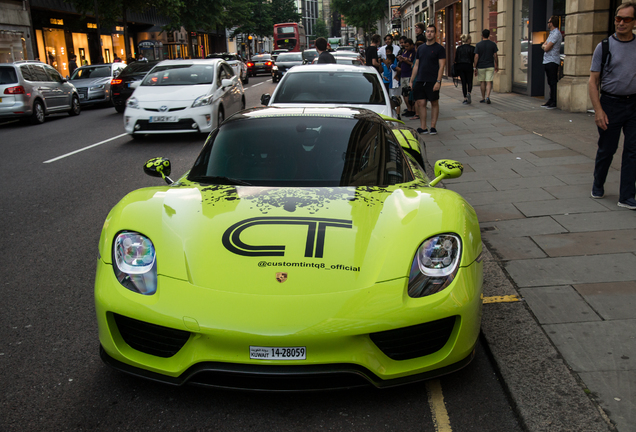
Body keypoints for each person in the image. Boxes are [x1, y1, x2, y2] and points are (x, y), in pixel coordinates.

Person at [588, 1, 636, 209]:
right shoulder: (604, 46)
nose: (621, 23)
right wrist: (598, 110)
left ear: (634, 22)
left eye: (626, 19)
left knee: (633, 151)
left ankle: (626, 196)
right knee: (607, 149)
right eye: (618, 18)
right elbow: (593, 81)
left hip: (634, 104)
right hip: (610, 104)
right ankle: (598, 183)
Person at [409, 24, 446, 135]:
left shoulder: (439, 49)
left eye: (432, 31)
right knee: (421, 103)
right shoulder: (421, 48)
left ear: (435, 34)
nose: (429, 33)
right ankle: (423, 127)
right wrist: (411, 80)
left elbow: (441, 66)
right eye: (428, 31)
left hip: (432, 80)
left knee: (434, 102)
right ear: (425, 33)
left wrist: (438, 81)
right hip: (420, 79)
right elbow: (416, 65)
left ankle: (433, 126)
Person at [542, 16, 563, 109]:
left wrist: (544, 47)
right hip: (547, 60)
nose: (547, 23)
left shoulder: (556, 34)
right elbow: (544, 45)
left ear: (552, 23)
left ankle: (554, 101)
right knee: (550, 82)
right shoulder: (551, 34)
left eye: (548, 22)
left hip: (552, 60)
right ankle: (551, 100)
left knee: (553, 81)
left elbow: (546, 47)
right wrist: (544, 46)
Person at [473, 29, 498, 104]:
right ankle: (488, 96)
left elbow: (476, 56)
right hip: (490, 65)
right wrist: (496, 64)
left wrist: (475, 67)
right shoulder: (493, 44)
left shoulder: (478, 45)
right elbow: (495, 55)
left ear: (482, 35)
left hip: (481, 66)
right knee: (489, 82)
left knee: (482, 82)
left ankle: (483, 97)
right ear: (489, 35)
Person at [454, 34, 475, 104]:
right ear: (468, 40)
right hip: (469, 65)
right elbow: (474, 58)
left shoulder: (459, 48)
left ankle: (465, 98)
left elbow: (456, 59)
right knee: (469, 81)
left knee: (463, 82)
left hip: (461, 66)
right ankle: (469, 92)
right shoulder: (472, 48)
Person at [397, 38, 416, 116]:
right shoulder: (404, 51)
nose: (406, 48)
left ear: (412, 45)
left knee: (409, 92)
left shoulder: (414, 52)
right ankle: (408, 108)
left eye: (407, 46)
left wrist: (405, 60)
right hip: (403, 74)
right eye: (405, 46)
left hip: (409, 74)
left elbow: (413, 63)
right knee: (404, 92)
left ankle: (412, 109)